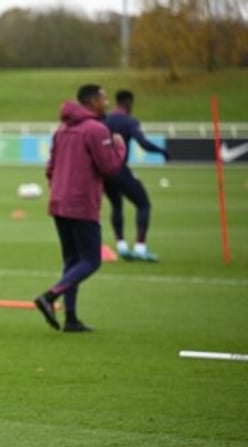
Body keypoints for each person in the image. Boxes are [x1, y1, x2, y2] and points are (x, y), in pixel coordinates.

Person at [34, 84, 126, 333]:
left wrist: (59, 190)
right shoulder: (96, 130)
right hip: (82, 203)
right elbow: (109, 168)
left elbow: (50, 168)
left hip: (58, 202)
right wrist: (120, 147)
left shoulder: (62, 129)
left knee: (72, 261)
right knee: (91, 260)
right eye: (103, 98)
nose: (106, 103)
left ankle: (71, 318)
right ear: (92, 101)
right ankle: (50, 297)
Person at [104, 89, 169, 262]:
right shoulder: (129, 121)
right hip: (119, 168)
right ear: (129, 103)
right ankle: (140, 248)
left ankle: (122, 246)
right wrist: (162, 151)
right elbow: (143, 143)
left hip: (104, 172)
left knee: (116, 205)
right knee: (143, 204)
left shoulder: (105, 119)